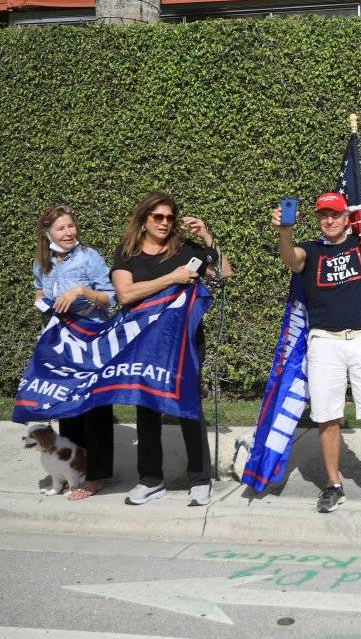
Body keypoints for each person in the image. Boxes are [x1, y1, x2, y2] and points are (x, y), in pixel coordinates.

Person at [271, 169, 361, 514]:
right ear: (317, 219)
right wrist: (285, 233)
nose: (329, 219)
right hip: (325, 343)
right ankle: (333, 485)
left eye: (335, 213)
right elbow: (291, 261)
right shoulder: (310, 250)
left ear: (347, 216)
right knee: (327, 416)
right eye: (324, 214)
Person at [111, 192, 233, 507]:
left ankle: (200, 479)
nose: (165, 223)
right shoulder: (127, 254)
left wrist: (207, 238)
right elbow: (125, 294)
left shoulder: (185, 250)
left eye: (169, 218)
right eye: (158, 217)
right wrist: (173, 278)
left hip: (184, 344)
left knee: (188, 406)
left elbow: (225, 276)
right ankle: (150, 480)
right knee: (146, 408)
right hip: (143, 344)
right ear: (144, 220)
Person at [32, 204, 115, 501]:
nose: (68, 233)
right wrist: (41, 302)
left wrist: (81, 292)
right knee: (68, 409)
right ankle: (74, 471)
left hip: (92, 342)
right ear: (48, 234)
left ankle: (97, 476)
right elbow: (40, 290)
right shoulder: (43, 261)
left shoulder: (89, 258)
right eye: (61, 228)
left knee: (95, 408)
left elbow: (111, 297)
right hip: (61, 345)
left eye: (71, 226)